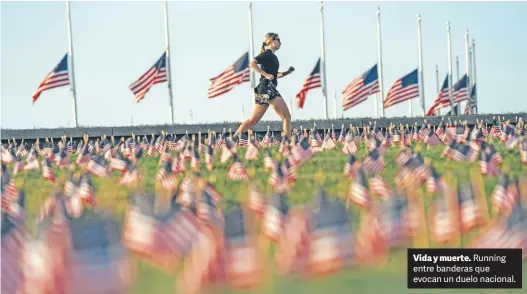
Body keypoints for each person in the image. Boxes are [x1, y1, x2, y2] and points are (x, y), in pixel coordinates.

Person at [233, 32, 295, 139]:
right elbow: (252, 63)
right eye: (278, 40)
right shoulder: (267, 54)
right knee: (287, 117)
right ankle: (289, 143)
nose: (280, 42)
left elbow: (275, 75)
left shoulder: (273, 57)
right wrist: (266, 75)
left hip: (263, 89)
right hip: (268, 89)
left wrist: (287, 72)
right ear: (271, 41)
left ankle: (233, 139)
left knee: (253, 120)